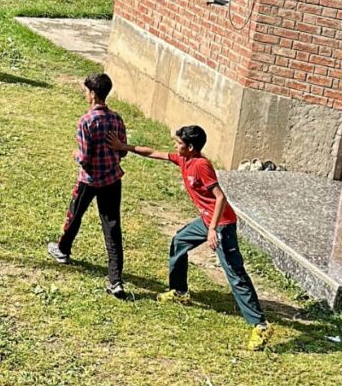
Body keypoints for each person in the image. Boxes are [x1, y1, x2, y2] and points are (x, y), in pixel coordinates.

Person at [107, 125, 274, 351]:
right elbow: (153, 153)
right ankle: (180, 291)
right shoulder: (184, 159)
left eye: (179, 144)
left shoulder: (201, 165)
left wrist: (213, 230)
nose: (175, 147)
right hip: (206, 221)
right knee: (179, 241)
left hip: (221, 225)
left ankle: (260, 325)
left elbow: (220, 198)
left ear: (191, 147)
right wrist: (122, 147)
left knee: (235, 273)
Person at [47, 73, 129, 299]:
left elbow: (84, 157)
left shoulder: (86, 121)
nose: (85, 94)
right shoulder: (117, 119)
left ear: (93, 94)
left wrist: (76, 155)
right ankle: (116, 280)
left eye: (86, 91)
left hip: (90, 180)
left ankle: (63, 250)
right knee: (112, 228)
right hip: (112, 179)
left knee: (75, 215)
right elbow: (122, 150)